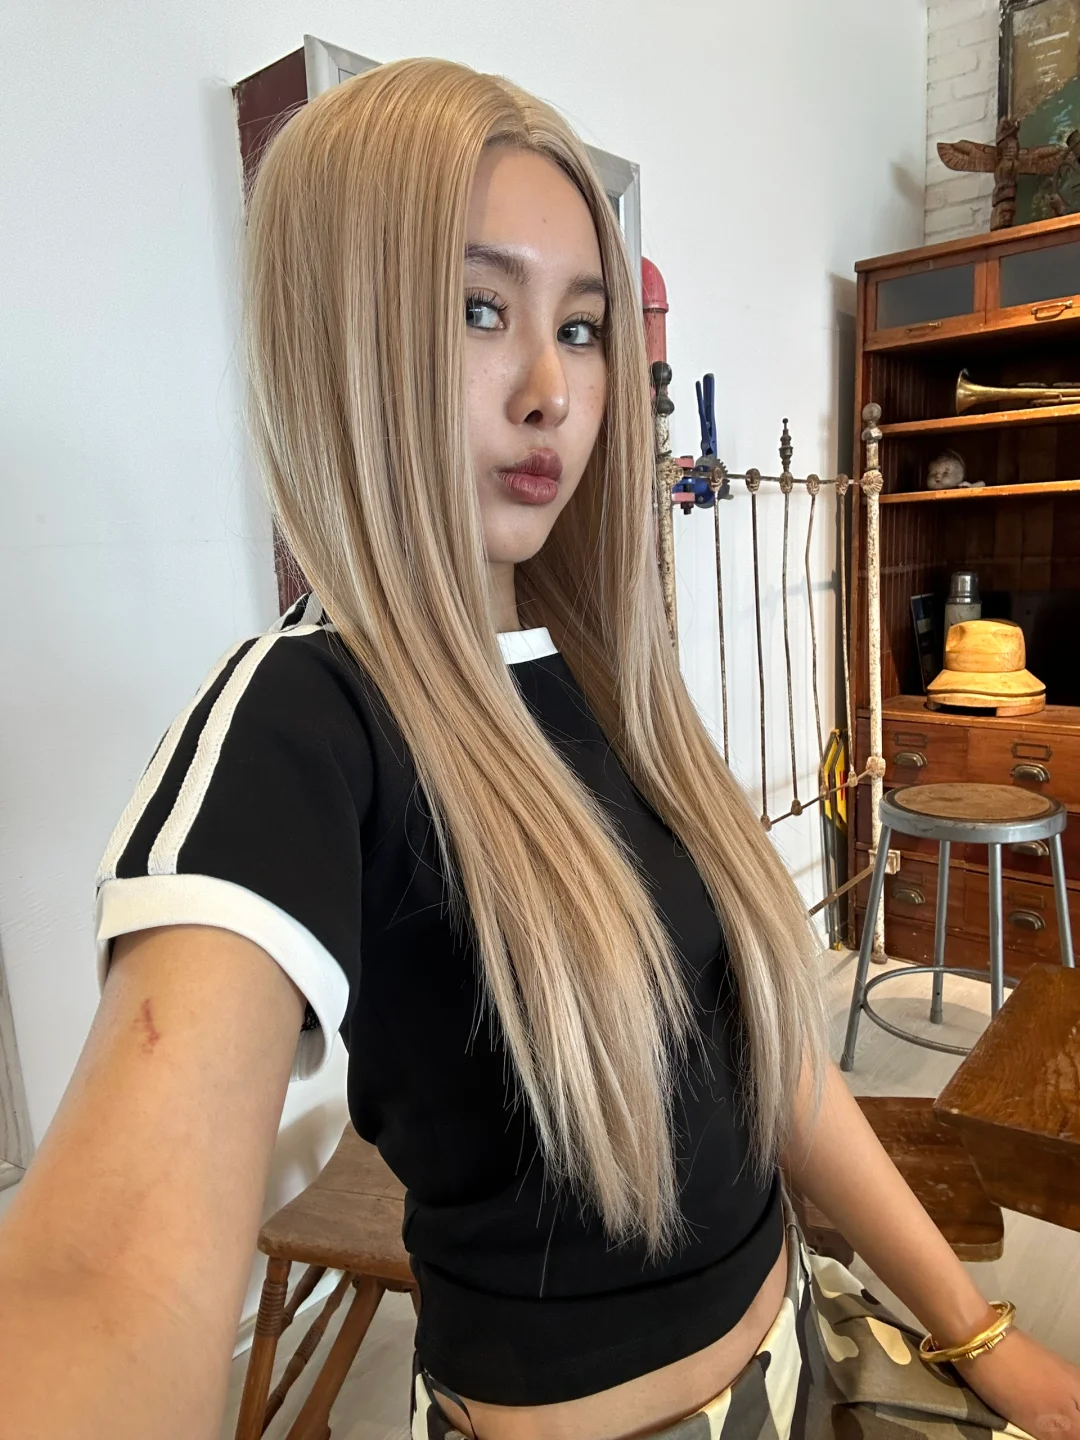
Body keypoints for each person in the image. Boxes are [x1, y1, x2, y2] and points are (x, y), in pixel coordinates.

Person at [0, 56, 1078, 1440]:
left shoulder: (613, 679)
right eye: (476, 309)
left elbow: (774, 1071)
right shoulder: (303, 719)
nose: (550, 390)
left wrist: (979, 1334)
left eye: (580, 328)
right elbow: (98, 1284)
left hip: (806, 1354)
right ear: (341, 338)